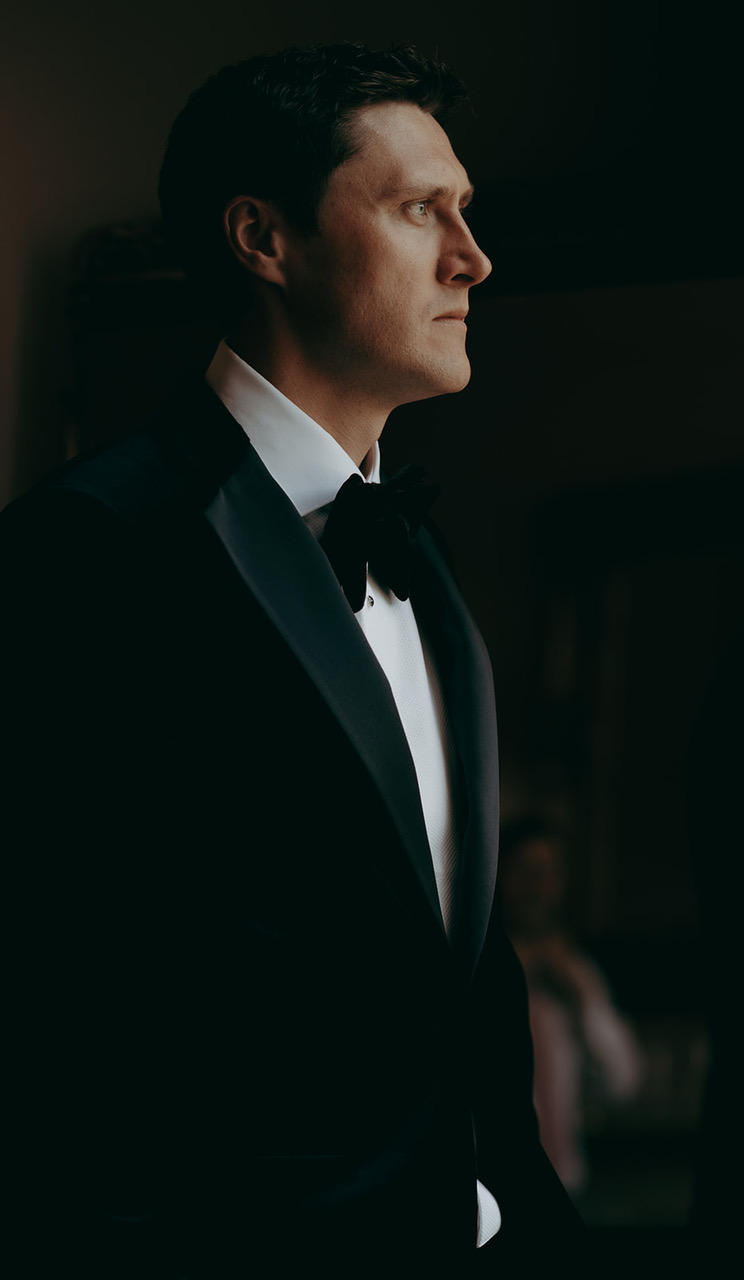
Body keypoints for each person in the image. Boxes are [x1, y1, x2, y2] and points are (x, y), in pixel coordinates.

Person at [2, 44, 587, 1276]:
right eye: (419, 209)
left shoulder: (421, 557)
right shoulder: (91, 547)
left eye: (466, 211)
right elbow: (54, 1005)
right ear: (263, 238)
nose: (471, 257)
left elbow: (457, 970)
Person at [499, 817, 642, 1194]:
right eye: (524, 869)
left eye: (548, 872)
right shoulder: (474, 974)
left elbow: (623, 1084)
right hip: (492, 1187)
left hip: (566, 1185)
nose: (536, 885)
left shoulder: (576, 973)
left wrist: (582, 1002)